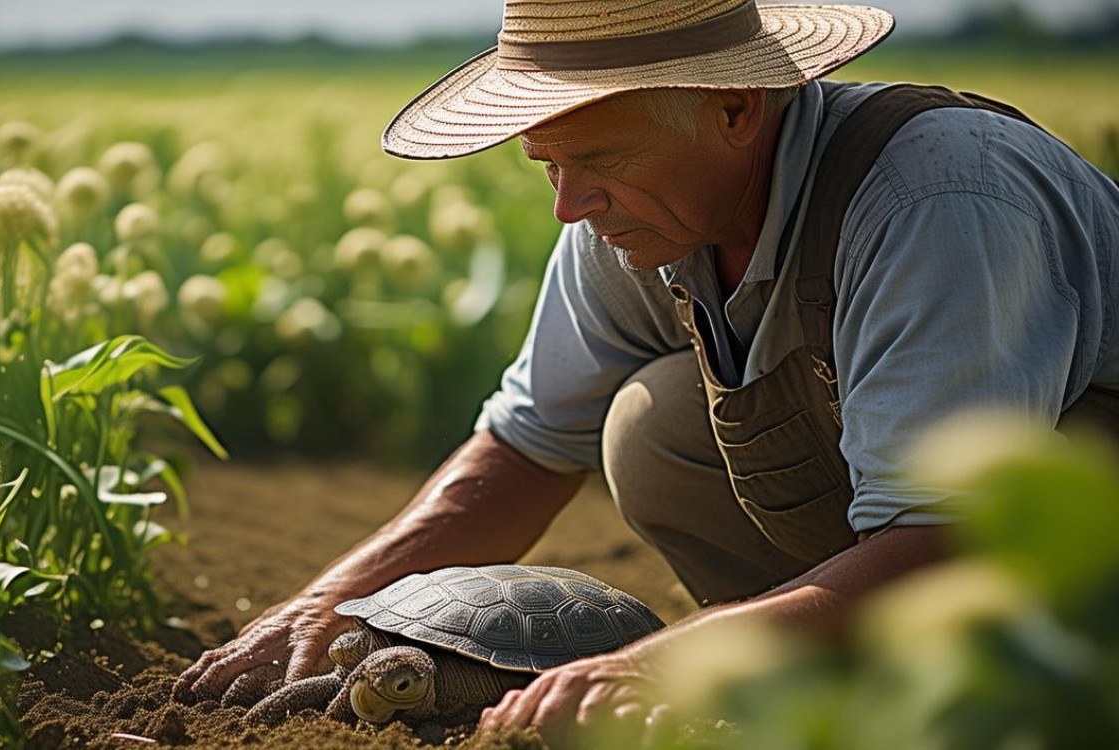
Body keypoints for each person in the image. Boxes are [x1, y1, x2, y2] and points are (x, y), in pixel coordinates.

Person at [176, 0, 1119, 743]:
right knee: (656, 423)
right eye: (544, 165)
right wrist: (327, 606)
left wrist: (660, 664)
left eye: (596, 160)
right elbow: (525, 447)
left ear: (737, 108)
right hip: (926, 551)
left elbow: (946, 538)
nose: (567, 205)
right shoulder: (635, 215)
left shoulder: (939, 198)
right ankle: (843, 685)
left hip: (1060, 544)